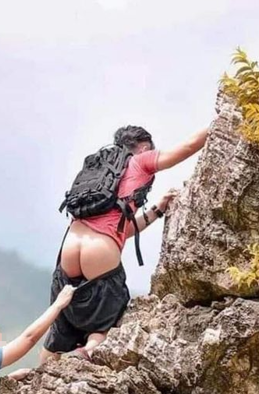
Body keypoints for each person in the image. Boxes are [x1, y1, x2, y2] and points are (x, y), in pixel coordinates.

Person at [41, 124, 209, 361]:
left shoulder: (99, 168)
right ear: (143, 147)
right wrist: (223, 120)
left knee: (61, 322)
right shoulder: (140, 160)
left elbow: (121, 230)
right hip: (100, 252)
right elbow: (189, 146)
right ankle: (87, 351)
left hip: (69, 247)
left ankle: (42, 371)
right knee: (109, 316)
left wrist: (157, 210)